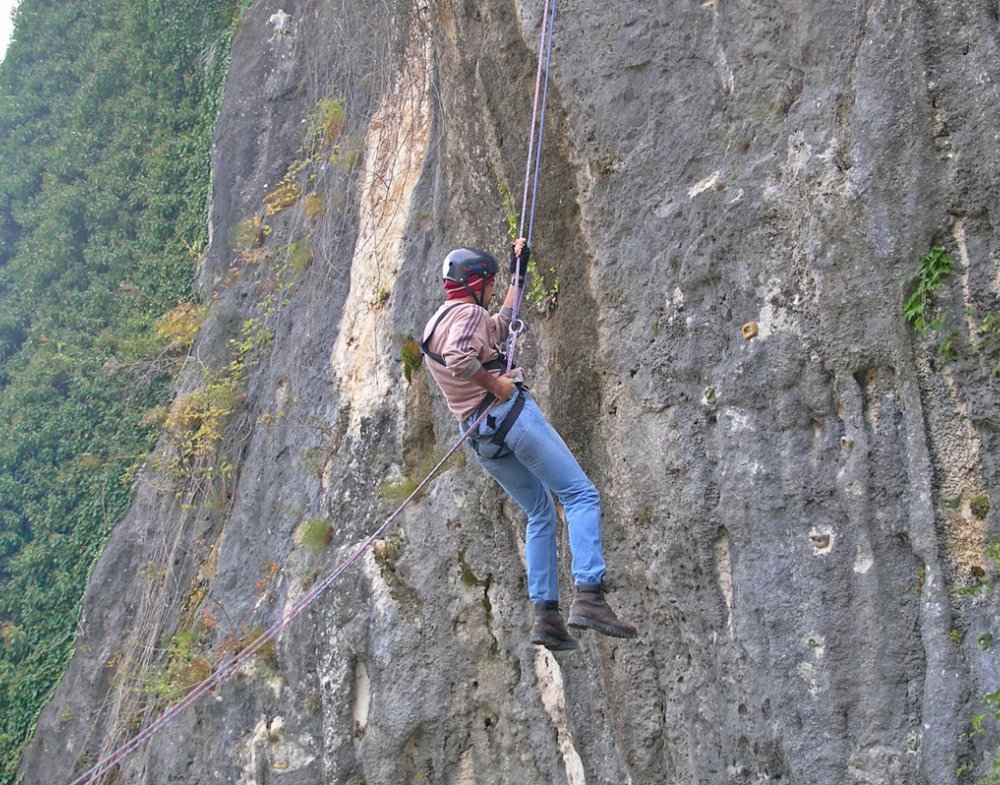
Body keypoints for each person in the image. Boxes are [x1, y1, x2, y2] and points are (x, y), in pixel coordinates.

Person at [420, 238, 637, 651]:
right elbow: (462, 359)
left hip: (482, 439)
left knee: (539, 511)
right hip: (508, 416)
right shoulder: (467, 313)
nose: (490, 292)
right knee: (580, 495)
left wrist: (520, 272)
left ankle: (546, 616)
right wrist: (495, 384)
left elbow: (500, 324)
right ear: (476, 283)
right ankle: (589, 595)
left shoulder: (441, 320)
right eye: (490, 284)